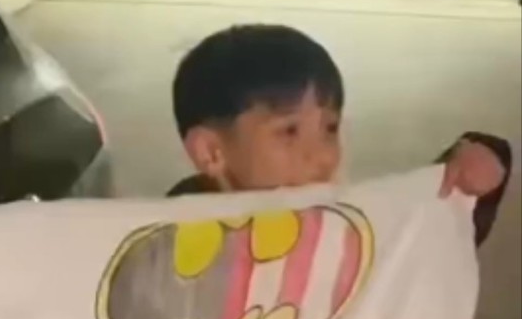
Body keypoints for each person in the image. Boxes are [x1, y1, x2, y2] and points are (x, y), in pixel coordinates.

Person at [168, 24, 510, 246]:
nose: (324, 156)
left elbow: (411, 248)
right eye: (289, 131)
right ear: (211, 152)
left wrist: (467, 177)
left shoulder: (340, 220)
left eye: (330, 128)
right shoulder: (166, 240)